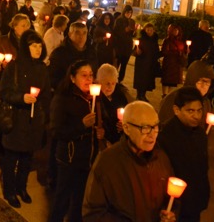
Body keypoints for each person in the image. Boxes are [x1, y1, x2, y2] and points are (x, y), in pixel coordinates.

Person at [82, 101, 175, 222]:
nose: (152, 135)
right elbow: (93, 213)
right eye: (145, 128)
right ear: (126, 128)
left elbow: (171, 198)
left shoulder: (161, 158)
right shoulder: (108, 162)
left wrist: (170, 213)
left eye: (156, 127)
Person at [0, 30, 51, 208]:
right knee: (12, 157)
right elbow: (4, 91)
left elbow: (46, 94)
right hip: (16, 119)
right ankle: (9, 189)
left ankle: (22, 187)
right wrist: (22, 98)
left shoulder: (42, 68)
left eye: (39, 45)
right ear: (25, 47)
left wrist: (44, 114)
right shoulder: (15, 66)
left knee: (27, 158)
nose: (38, 49)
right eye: (33, 45)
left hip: (34, 120)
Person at [49, 60, 104, 222]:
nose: (89, 79)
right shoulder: (63, 98)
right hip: (69, 158)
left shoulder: (93, 98)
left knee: (80, 201)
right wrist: (81, 125)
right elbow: (56, 131)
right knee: (62, 199)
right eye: (84, 75)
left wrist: (100, 131)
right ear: (72, 78)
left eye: (91, 75)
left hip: (87, 159)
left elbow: (100, 122)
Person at [158, 87, 210, 222]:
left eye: (199, 110)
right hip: (175, 206)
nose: (196, 116)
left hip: (194, 202)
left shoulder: (200, 134)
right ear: (176, 110)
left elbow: (203, 169)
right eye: (190, 111)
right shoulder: (166, 137)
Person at [159, 59, 214, 128]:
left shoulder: (206, 103)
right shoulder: (174, 98)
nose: (203, 86)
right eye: (201, 81)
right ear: (192, 79)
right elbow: (165, 126)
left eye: (207, 82)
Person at [95, 64, 133, 146]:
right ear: (99, 82)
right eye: (107, 83)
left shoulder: (120, 96)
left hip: (119, 140)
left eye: (113, 83)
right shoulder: (95, 98)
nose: (110, 87)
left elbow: (129, 116)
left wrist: (124, 125)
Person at [133, 22, 160, 102]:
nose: (149, 31)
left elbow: (156, 52)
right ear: (144, 30)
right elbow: (134, 51)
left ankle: (143, 95)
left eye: (151, 30)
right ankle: (139, 95)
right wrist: (137, 52)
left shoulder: (154, 40)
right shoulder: (141, 40)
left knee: (147, 80)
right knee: (140, 79)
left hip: (150, 63)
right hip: (141, 63)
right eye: (148, 30)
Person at [161, 24, 187, 98]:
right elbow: (164, 51)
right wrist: (176, 52)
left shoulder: (181, 40)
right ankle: (164, 95)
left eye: (177, 30)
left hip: (177, 64)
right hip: (169, 63)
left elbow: (183, 50)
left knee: (173, 82)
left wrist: (186, 51)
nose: (176, 32)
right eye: (174, 30)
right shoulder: (167, 40)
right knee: (166, 81)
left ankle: (169, 97)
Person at [112, 4, 136, 83]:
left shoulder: (131, 21)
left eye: (130, 13)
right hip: (120, 46)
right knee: (117, 64)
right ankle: (114, 79)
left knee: (124, 65)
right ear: (124, 12)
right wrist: (125, 30)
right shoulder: (119, 20)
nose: (128, 14)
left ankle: (120, 80)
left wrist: (134, 31)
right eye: (127, 12)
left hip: (128, 47)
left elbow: (132, 35)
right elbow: (116, 32)